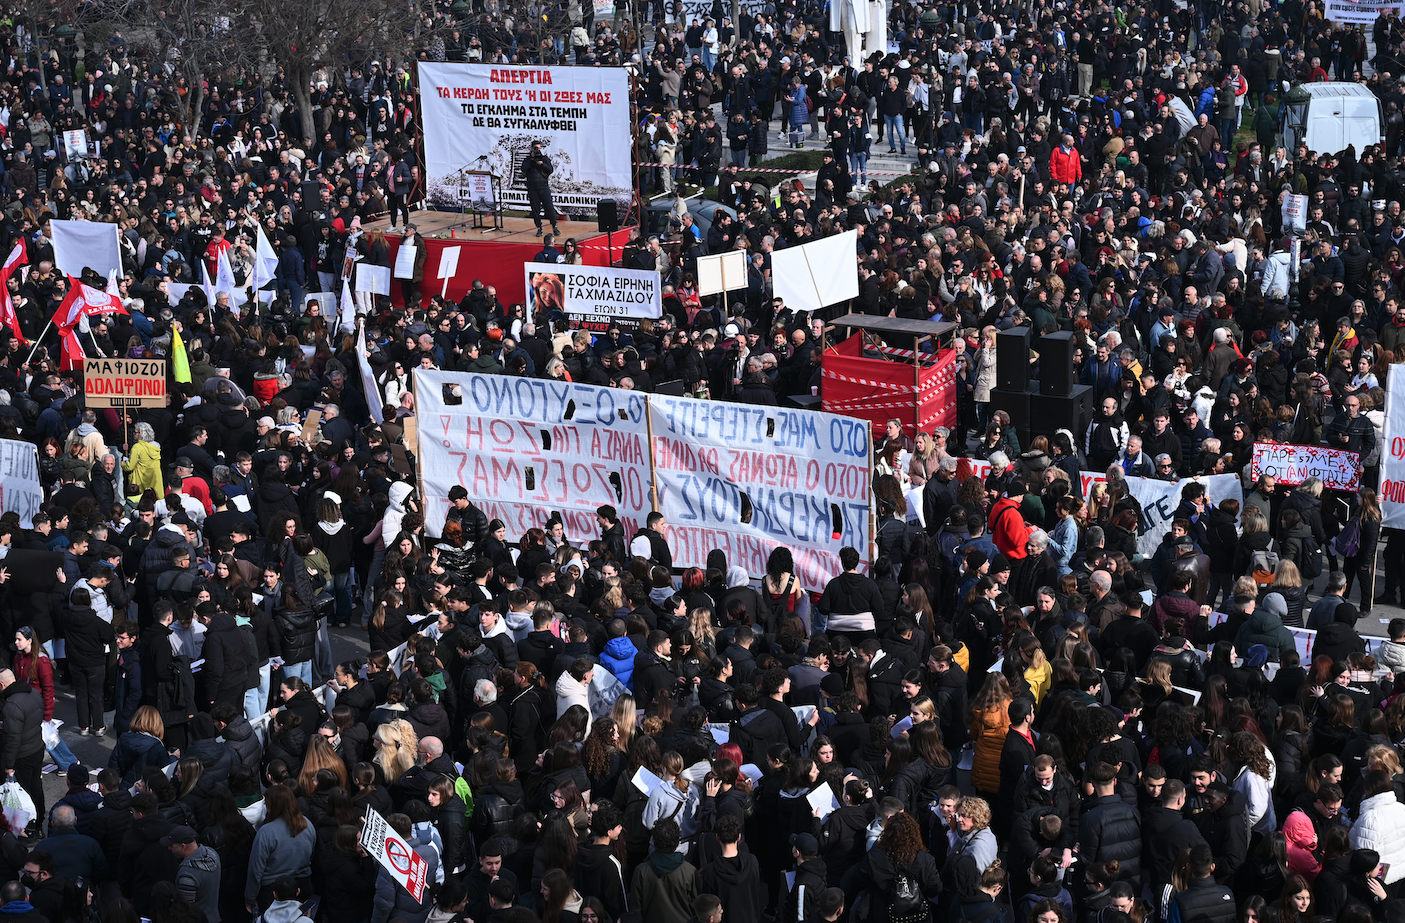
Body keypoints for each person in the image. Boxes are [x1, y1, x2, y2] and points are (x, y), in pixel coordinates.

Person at [524, 141, 560, 237]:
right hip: (533, 189)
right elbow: (523, 169)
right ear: (532, 148)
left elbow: (550, 170)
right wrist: (532, 159)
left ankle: (554, 226)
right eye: (535, 148)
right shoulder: (528, 159)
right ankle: (539, 228)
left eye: (539, 148)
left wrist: (541, 164)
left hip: (544, 188)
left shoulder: (544, 158)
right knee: (535, 210)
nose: (537, 150)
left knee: (549, 208)